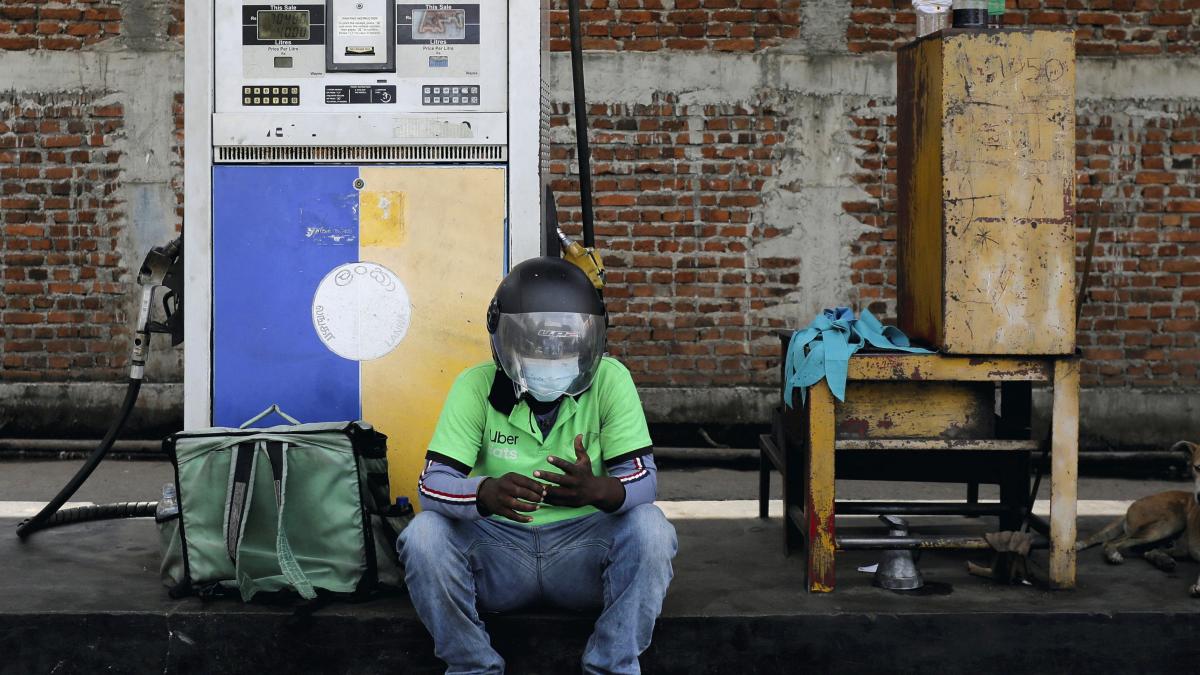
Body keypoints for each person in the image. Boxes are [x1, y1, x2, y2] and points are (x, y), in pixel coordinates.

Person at [398, 256, 677, 675]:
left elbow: (644, 480)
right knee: (423, 536)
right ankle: (472, 666)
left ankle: (611, 666)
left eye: (567, 345)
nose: (553, 356)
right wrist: (483, 493)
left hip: (583, 557)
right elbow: (432, 485)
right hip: (499, 556)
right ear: (505, 339)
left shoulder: (610, 379)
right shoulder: (475, 386)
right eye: (538, 345)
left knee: (652, 528)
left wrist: (601, 491)